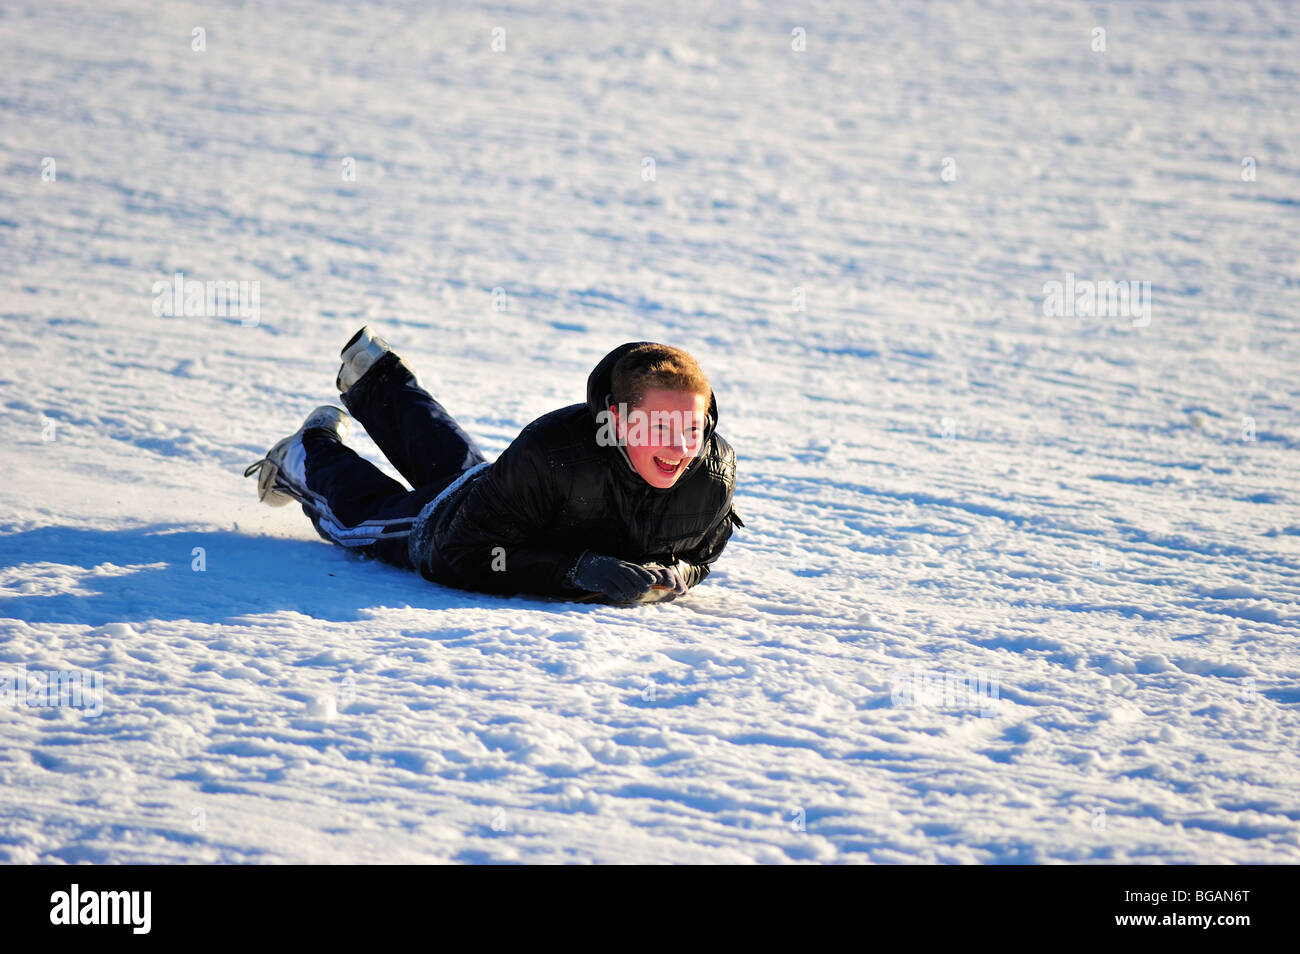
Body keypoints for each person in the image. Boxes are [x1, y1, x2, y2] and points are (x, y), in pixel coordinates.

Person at [243, 328, 743, 604]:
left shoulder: (712, 476)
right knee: (371, 520)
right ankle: (306, 454)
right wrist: (576, 570)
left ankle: (378, 381)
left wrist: (677, 572)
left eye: (692, 430)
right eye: (658, 429)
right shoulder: (553, 454)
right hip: (451, 527)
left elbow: (702, 550)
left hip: (503, 497)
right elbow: (459, 552)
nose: (679, 449)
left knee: (472, 478)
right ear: (616, 418)